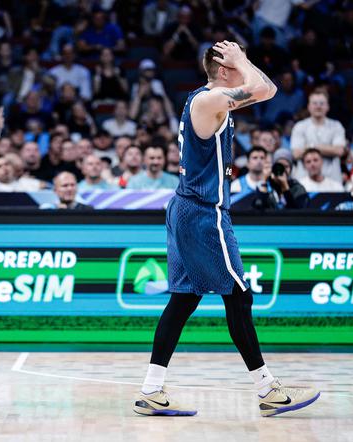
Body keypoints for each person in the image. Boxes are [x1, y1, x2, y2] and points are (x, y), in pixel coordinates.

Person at [134, 41, 319, 417]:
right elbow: (265, 88)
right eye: (233, 66)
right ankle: (269, 390)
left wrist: (242, 63)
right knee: (238, 296)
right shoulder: (208, 101)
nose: (242, 69)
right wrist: (242, 61)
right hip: (203, 212)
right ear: (222, 71)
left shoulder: (216, 100)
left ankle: (151, 389)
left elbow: (267, 89)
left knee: (184, 299)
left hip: (190, 209)